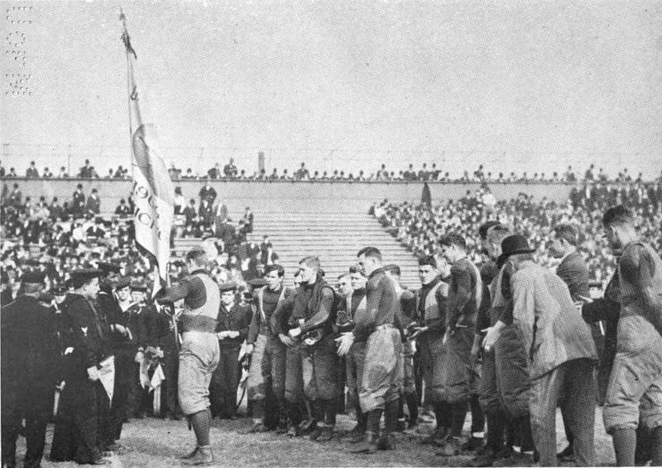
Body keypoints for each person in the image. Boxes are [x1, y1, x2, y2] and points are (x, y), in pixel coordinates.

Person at [505, 234, 597, 466]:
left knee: (541, 417)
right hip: (583, 348)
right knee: (582, 421)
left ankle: (547, 464)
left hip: (553, 349)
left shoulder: (521, 275)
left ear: (511, 261)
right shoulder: (550, 274)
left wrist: (530, 357)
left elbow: (522, 320)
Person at [593, 206, 662, 466]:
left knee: (619, 405)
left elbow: (650, 300)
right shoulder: (650, 249)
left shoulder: (631, 253)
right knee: (654, 404)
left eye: (606, 235)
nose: (607, 240)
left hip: (638, 334)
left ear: (612, 230)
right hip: (654, 340)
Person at [156, 247, 221, 466]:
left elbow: (168, 296)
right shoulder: (213, 284)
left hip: (196, 343)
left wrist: (160, 282)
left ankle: (205, 450)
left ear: (191, 262)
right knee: (201, 397)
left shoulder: (194, 281)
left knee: (192, 399)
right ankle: (201, 445)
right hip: (211, 342)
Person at [337, 247, 402, 453]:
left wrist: (352, 334)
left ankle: (371, 438)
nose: (359, 267)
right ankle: (388, 436)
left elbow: (371, 316)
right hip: (393, 334)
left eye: (362, 263)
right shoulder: (388, 281)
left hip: (380, 335)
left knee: (371, 385)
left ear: (373, 262)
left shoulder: (374, 282)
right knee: (390, 387)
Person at [50, 268, 110, 465]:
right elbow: (83, 338)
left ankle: (63, 451)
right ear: (85, 286)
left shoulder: (69, 302)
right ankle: (88, 454)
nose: (98, 287)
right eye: (95, 284)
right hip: (82, 365)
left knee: (69, 407)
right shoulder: (80, 305)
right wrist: (91, 365)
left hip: (72, 363)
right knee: (87, 410)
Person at [1, 271, 60, 468]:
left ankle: (7, 460)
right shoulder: (47, 314)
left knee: (9, 421)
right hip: (39, 380)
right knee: (37, 423)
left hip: (10, 378)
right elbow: (54, 350)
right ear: (40, 289)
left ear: (22, 287)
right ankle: (32, 462)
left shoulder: (4, 312)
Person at [436, 233, 483, 457]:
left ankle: (454, 439)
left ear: (453, 247)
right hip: (473, 329)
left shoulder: (460, 268)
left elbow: (462, 297)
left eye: (444, 250)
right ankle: (477, 436)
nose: (443, 256)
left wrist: (452, 324)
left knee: (457, 385)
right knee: (473, 385)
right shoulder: (472, 266)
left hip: (463, 330)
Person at [549, 222, 592, 461]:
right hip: (571, 329)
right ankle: (573, 444)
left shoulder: (571, 265)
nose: (550, 246)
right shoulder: (571, 262)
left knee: (572, 393)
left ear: (563, 242)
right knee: (568, 393)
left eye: (553, 242)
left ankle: (576, 446)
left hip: (572, 332)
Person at [288, 256, 338, 442]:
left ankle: (329, 425)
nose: (300, 274)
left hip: (324, 343)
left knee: (325, 386)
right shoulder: (302, 290)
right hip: (308, 343)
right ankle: (318, 423)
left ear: (313, 270)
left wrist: (303, 329)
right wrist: (305, 330)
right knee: (309, 387)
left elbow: (323, 315)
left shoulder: (325, 290)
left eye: (303, 270)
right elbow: (298, 315)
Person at [244, 266, 295, 433]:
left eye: (273, 276)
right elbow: (256, 320)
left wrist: (285, 334)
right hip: (262, 337)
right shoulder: (260, 294)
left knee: (278, 381)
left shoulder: (288, 294)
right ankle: (257, 420)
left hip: (279, 339)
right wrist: (250, 341)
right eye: (268, 276)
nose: (269, 279)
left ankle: (283, 419)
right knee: (255, 377)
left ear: (281, 278)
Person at [410, 255, 449, 446]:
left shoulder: (442, 289)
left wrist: (428, 328)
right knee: (432, 388)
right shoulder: (419, 293)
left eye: (427, 271)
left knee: (441, 387)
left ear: (435, 271)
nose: (423, 275)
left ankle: (448, 429)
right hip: (425, 344)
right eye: (420, 271)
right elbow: (417, 317)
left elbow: (448, 318)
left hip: (440, 342)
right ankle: (439, 428)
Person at [209, 282, 252, 420]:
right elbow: (209, 330)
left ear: (234, 296)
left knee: (233, 380)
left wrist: (237, 333)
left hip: (234, 349)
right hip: (219, 349)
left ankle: (231, 411)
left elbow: (248, 330)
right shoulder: (215, 311)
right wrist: (217, 335)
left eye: (229, 295)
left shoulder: (242, 311)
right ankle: (218, 410)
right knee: (217, 380)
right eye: (224, 295)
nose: (226, 297)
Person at [337, 268, 369, 442]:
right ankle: (360, 422)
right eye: (353, 279)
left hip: (364, 345)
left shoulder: (369, 296)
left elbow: (369, 322)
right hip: (349, 346)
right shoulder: (346, 299)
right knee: (353, 387)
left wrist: (353, 331)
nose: (355, 282)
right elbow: (340, 322)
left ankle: (369, 426)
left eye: (357, 278)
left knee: (364, 386)